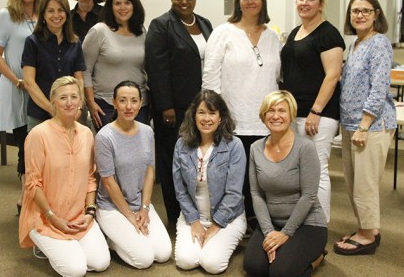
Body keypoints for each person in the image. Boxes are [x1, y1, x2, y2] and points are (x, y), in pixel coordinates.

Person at [202, 0, 281, 231]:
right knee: (236, 177)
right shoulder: (223, 32)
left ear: (262, 1)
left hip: (266, 121)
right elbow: (210, 78)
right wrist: (215, 115)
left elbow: (276, 78)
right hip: (233, 119)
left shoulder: (272, 36)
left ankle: (259, 220)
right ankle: (236, 220)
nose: (250, 1)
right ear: (238, 1)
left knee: (263, 176)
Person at [19, 76, 110, 277]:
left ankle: (69, 244)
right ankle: (43, 243)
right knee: (76, 270)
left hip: (78, 215)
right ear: (53, 101)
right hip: (45, 217)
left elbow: (90, 178)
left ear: (80, 101)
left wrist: (90, 212)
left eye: (73, 97)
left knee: (101, 263)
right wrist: (53, 218)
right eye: (63, 98)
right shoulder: (38, 134)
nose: (69, 102)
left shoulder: (87, 134)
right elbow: (33, 184)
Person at [145, 0, 213, 226]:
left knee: (198, 159)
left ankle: (198, 210)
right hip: (174, 108)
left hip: (201, 106)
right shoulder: (161, 25)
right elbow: (156, 67)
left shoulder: (205, 24)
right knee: (173, 160)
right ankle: (175, 214)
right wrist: (166, 105)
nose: (184, 2)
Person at [334, 0, 396, 256]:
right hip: (350, 124)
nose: (359, 15)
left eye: (365, 11)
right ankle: (366, 227)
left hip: (370, 125)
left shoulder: (379, 43)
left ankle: (367, 235)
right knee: (353, 182)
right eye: (354, 11)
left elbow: (379, 86)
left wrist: (364, 124)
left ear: (376, 14)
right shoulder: (355, 44)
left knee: (365, 184)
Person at [243, 90, 327, 277]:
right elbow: (256, 194)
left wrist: (285, 233)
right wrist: (268, 232)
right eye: (270, 111)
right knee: (254, 267)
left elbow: (309, 196)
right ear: (263, 116)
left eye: (282, 111)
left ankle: (317, 258)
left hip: (307, 224)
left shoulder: (305, 147)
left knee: (280, 272)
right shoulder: (256, 148)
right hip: (272, 222)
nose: (275, 116)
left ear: (291, 115)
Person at [280, 0, 345, 222]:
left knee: (317, 170)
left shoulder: (328, 33)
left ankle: (320, 225)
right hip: (295, 112)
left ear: (320, 4)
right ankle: (303, 220)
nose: (304, 3)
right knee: (300, 171)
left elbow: (333, 75)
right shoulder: (297, 31)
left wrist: (316, 111)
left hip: (319, 114)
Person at [95, 80, 172, 269]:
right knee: (144, 259)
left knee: (163, 254)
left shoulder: (147, 131)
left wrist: (145, 208)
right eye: (122, 100)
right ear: (114, 103)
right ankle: (111, 240)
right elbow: (108, 182)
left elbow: (149, 172)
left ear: (140, 103)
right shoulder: (105, 137)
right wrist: (130, 216)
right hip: (112, 207)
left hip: (139, 203)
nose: (128, 106)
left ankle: (125, 237)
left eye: (134, 101)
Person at [172, 90, 246, 274]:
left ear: (221, 117)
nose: (207, 118)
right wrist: (194, 221)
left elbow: (234, 193)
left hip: (227, 218)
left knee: (212, 265)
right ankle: (207, 244)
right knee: (185, 261)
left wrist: (216, 225)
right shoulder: (181, 145)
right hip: (193, 216)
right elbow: (180, 190)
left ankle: (224, 241)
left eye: (212, 113)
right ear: (194, 116)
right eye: (202, 112)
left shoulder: (234, 146)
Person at [0, 0, 42, 216]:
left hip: (38, 88)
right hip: (17, 88)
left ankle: (34, 194)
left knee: (39, 142)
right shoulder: (6, 15)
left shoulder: (42, 14)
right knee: (24, 142)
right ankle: (24, 198)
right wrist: (17, 80)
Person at [83, 0, 149, 130]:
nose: (122, 8)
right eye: (117, 3)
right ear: (110, 7)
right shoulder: (99, 31)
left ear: (134, 5)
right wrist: (91, 102)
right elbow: (84, 70)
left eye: (127, 3)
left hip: (139, 105)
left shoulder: (142, 31)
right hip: (106, 105)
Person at [22, 0, 86, 131]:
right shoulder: (32, 42)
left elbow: (79, 80)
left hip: (70, 113)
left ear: (67, 14)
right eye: (50, 11)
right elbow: (29, 82)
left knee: (71, 152)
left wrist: (79, 106)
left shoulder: (75, 43)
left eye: (60, 10)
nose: (56, 15)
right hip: (40, 114)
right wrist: (53, 110)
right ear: (43, 15)